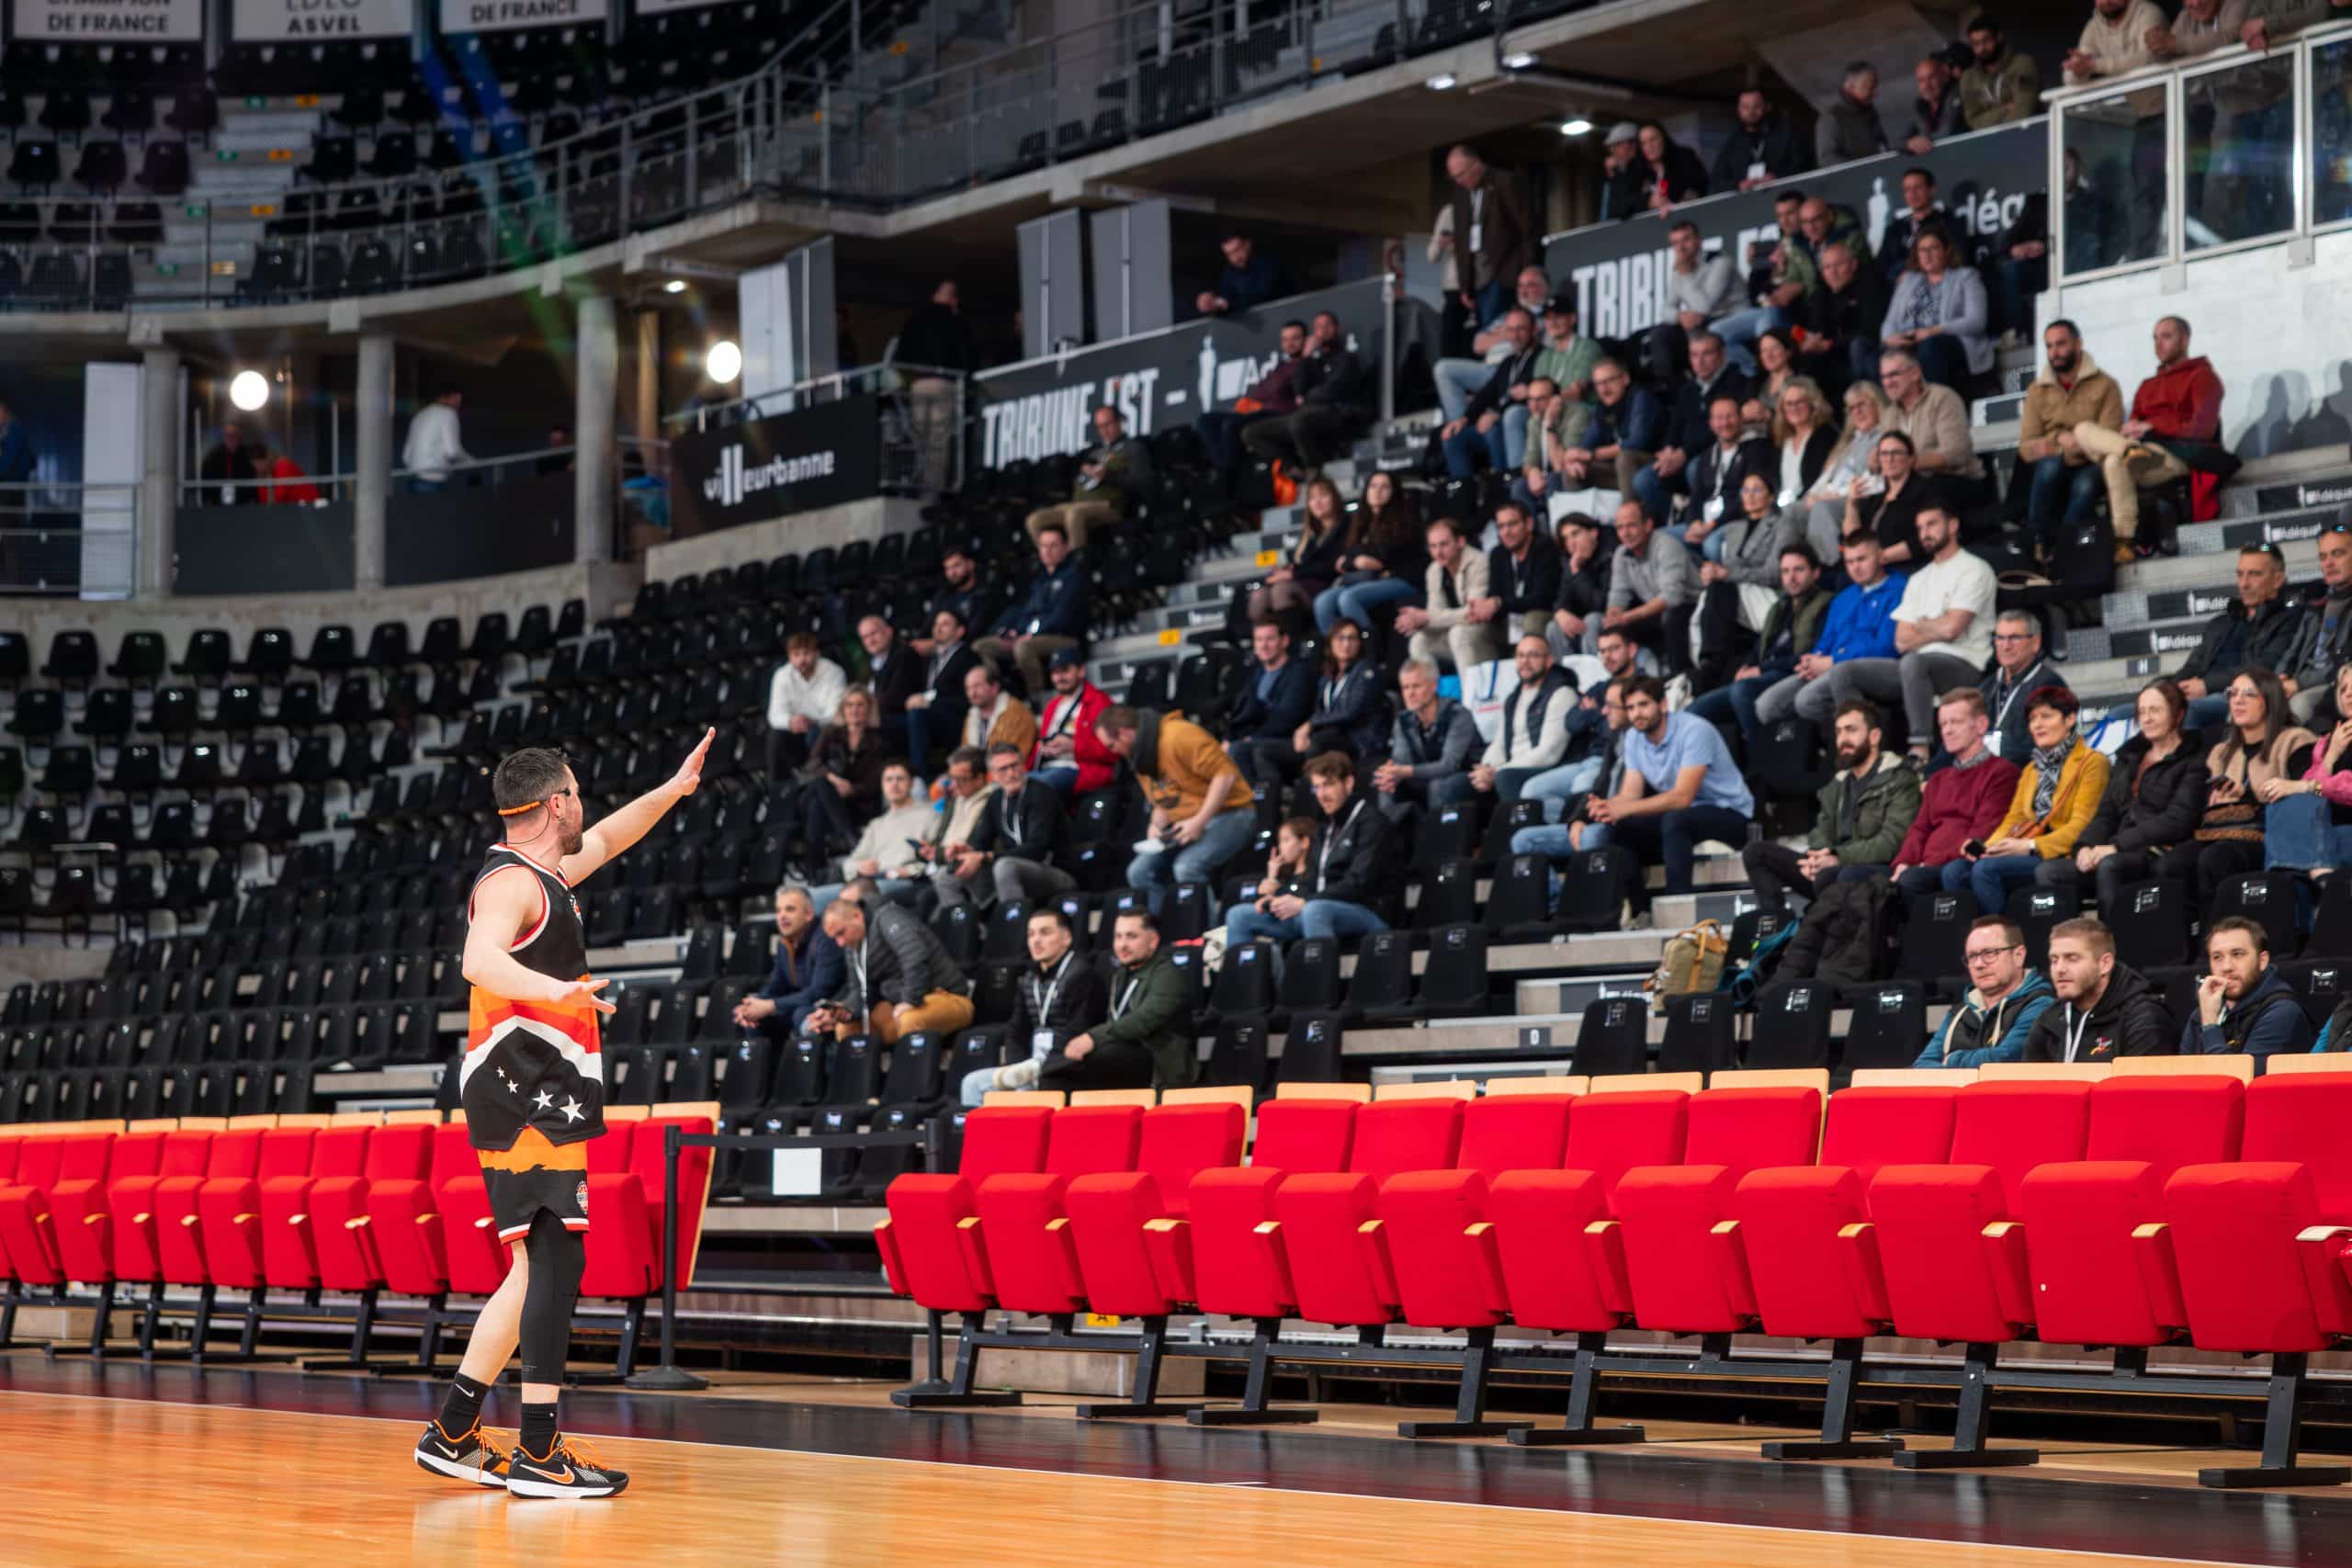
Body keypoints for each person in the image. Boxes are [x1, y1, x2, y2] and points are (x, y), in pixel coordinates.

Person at [413, 728, 711, 1500]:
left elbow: (612, 836)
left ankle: (454, 1430)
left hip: (535, 1088)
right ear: (554, 803)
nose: (585, 805)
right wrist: (559, 992)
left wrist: (674, 789)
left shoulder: (548, 872)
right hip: (523, 1091)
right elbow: (477, 959)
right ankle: (540, 1449)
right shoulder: (510, 883)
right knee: (556, 1256)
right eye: (576, 793)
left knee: (532, 1265)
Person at [1829, 503, 1994, 760]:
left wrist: (1921, 625)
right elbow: (1901, 640)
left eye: (1932, 524)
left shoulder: (1974, 569)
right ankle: (1865, 754)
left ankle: (1920, 749)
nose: (1925, 533)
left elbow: (1952, 628)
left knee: (1913, 662)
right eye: (1920, 528)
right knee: (1843, 672)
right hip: (1915, 666)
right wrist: (1937, 624)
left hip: (1965, 662)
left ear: (1953, 525)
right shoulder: (1918, 579)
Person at [1583, 674, 1755, 912]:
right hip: (1684, 815)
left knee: (1675, 820)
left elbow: (1682, 797)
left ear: (1663, 705)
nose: (1636, 714)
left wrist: (1624, 808)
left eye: (1643, 705)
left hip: (1731, 813)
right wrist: (1608, 807)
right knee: (1620, 827)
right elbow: (1630, 794)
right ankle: (1640, 910)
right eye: (1630, 708)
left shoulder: (1694, 730)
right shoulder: (1633, 737)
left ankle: (1678, 905)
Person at [1741, 698, 1921, 907]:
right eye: (1839, 732)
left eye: (1851, 730)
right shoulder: (1837, 783)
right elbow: (1821, 831)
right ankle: (1776, 922)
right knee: (1755, 853)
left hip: (1875, 871)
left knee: (1836, 875)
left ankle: (1822, 920)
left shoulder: (1899, 779)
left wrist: (1838, 857)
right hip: (1834, 869)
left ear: (1874, 737)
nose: (1843, 739)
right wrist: (1817, 858)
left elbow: (1891, 843)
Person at [1947, 685, 2110, 915]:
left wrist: (2031, 846)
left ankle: (2000, 933)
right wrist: (1987, 848)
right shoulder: (2031, 769)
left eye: (2046, 716)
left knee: (1986, 871)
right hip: (2027, 848)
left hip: (2061, 853)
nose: (2037, 725)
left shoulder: (2092, 762)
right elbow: (2014, 819)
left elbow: (2082, 825)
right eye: (2033, 719)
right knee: (1955, 871)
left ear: (2070, 719)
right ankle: (1972, 934)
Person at [2074, 317, 2224, 552]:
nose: (2158, 344)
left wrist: (2153, 426)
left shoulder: (2202, 376)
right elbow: (2136, 422)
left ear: (2185, 340)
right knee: (2083, 429)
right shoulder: (2147, 385)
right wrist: (2130, 430)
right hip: (2143, 451)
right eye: (2155, 338)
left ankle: (2124, 540)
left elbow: (2202, 430)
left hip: (2179, 454)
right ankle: (2127, 450)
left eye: (2166, 337)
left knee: (2114, 462)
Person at [2165, 667, 2315, 903]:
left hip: (2271, 836)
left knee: (2216, 858)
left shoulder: (2296, 740)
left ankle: (2221, 924)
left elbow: (2305, 801)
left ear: (2270, 699)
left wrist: (2246, 797)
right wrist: (2216, 799)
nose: (2238, 700)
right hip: (2222, 830)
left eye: (2248, 694)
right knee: (2173, 863)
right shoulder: (2220, 752)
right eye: (2233, 693)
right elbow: (2204, 804)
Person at [1098, 704, 1257, 915]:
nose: (1113, 752)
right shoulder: (1140, 755)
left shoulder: (1178, 735)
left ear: (1125, 733)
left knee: (1187, 866)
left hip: (1233, 813)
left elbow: (1225, 775)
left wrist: (1199, 821)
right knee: (1138, 872)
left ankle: (1204, 930)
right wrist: (1155, 826)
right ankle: (1160, 927)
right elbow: (1163, 799)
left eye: (1111, 745)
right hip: (1185, 824)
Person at [1227, 750, 1395, 945]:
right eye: (1317, 787)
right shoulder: (1324, 829)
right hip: (1317, 908)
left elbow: (1358, 883)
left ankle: (1319, 965)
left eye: (1328, 785)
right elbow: (1309, 880)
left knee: (1315, 910)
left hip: (1366, 911)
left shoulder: (1372, 822)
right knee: (1238, 915)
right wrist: (1278, 899)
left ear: (1348, 783)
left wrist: (1304, 902)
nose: (1322, 795)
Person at [957, 906, 1109, 1106]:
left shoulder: (1083, 975)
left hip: (1063, 1067)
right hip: (1029, 1067)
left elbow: (1079, 1032)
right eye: (1031, 934)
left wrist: (1034, 1068)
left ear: (1066, 938)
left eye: (1045, 933)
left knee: (1023, 1089)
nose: (1036, 940)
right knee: (972, 1084)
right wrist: (1016, 1066)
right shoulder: (1029, 978)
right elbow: (1016, 1030)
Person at [1690, 541, 1833, 739]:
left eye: (1799, 570)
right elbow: (1760, 647)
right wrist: (1747, 667)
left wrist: (1760, 669)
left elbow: (1812, 654)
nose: (1791, 578)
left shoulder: (1826, 604)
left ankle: (1761, 751)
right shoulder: (1779, 607)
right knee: (1696, 710)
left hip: (1791, 673)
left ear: (1815, 573)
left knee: (1742, 691)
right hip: (1765, 674)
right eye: (1785, 571)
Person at [1890, 687, 2024, 895]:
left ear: (1981, 725)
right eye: (1943, 724)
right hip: (1925, 866)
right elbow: (1919, 829)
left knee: (1913, 880)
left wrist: (1928, 865)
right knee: (1859, 876)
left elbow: (1983, 831)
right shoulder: (1938, 779)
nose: (1947, 731)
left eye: (1956, 722)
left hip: (1960, 863)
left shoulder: (2002, 773)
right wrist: (1904, 863)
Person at [805, 893, 974, 1044]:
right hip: (902, 1002)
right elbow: (860, 988)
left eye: (841, 933)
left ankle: (913, 1070)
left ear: (857, 916)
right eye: (835, 938)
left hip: (946, 994)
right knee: (846, 1028)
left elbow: (914, 955)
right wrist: (847, 1011)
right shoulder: (852, 946)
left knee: (910, 1020)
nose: (840, 943)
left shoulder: (888, 916)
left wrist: (910, 1000)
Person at [1058, 908, 1198, 1092]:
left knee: (1098, 1056)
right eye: (1118, 937)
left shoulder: (1168, 975)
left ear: (1153, 941)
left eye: (1131, 936)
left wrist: (1093, 1037)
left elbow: (1143, 1021)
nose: (1122, 945)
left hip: (1160, 1064)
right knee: (1059, 1070)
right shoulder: (1120, 974)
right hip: (1127, 1054)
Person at [2016, 321, 2126, 551]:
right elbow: (2026, 448)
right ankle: (2036, 542)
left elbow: (2108, 440)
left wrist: (2058, 447)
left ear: (2078, 344)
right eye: (2049, 346)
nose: (2054, 352)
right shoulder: (2036, 391)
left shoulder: (2106, 385)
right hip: (2056, 461)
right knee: (2049, 467)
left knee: (2084, 484)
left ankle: (2063, 547)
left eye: (2061, 344)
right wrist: (2059, 442)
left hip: (2093, 462)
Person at [2177, 544, 2309, 731]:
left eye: (2254, 574)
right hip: (2204, 694)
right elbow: (2194, 664)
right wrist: (2170, 689)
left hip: (2240, 695)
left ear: (2278, 579)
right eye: (2240, 574)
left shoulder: (2290, 619)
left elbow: (2264, 668)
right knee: (2147, 705)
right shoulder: (2222, 622)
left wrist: (2206, 685)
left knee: (2191, 710)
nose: (2244, 584)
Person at [1694, 473, 1802, 690]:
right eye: (1745, 490)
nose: (1750, 496)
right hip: (1738, 594)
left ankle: (1712, 662)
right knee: (1712, 593)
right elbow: (1728, 571)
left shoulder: (1784, 525)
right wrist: (1713, 573)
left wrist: (1726, 573)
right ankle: (1708, 663)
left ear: (1771, 496)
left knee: (1720, 586)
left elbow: (1774, 574)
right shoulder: (1734, 529)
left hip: (1769, 594)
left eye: (1757, 490)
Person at [940, 742, 1072, 908]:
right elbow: (980, 841)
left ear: (1023, 765)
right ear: (993, 775)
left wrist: (985, 857)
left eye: (1014, 765)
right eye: (1003, 769)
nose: (1011, 773)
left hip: (1054, 871)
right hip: (1016, 866)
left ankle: (1013, 921)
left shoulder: (1041, 793)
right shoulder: (996, 799)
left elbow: (1037, 849)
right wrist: (966, 850)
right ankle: (968, 924)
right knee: (946, 875)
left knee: (1005, 866)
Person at [2025, 917, 2175, 1061]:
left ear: (2105, 964)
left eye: (2072, 958)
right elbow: (2030, 1078)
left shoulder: (2143, 1018)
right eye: (2054, 960)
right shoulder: (2048, 1020)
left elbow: (2141, 1079)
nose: (2060, 969)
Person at [1916, 915, 2058, 1067]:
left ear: (2018, 956)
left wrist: (1951, 1060)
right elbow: (1922, 1066)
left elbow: (2007, 1060)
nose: (1979, 964)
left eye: (1990, 953)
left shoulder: (2042, 1005)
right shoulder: (1959, 1014)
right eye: (1972, 956)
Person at [1243, 309, 1374, 472]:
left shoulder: (1347, 358)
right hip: (1308, 414)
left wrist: (1307, 397)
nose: (1323, 330)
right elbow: (1299, 388)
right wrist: (1305, 357)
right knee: (1251, 432)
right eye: (1318, 327)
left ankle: (1314, 470)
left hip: (1338, 413)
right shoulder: (1312, 362)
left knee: (1298, 421)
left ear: (1338, 329)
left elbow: (1332, 391)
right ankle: (1292, 468)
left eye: (1327, 325)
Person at [786, 688, 891, 876]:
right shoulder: (831, 732)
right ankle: (851, 838)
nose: (854, 710)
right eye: (849, 705)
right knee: (822, 785)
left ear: (869, 709)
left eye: (859, 705)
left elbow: (874, 782)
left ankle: (815, 872)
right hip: (827, 794)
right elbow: (812, 762)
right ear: (843, 709)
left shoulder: (878, 741)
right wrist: (833, 780)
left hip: (856, 803)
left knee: (817, 804)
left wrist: (851, 789)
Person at [1271, 617, 1387, 780]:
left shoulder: (1367, 671)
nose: (1346, 644)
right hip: (1332, 735)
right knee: (1258, 751)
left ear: (1360, 643)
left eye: (1352, 638)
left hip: (1359, 740)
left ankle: (1311, 789)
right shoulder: (1328, 674)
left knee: (1319, 742)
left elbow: (1350, 711)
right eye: (1340, 638)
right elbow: (1320, 709)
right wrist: (1306, 730)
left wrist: (1310, 725)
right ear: (1331, 642)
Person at [814, 759, 939, 911]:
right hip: (869, 879)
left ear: (912, 784)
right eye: (888, 780)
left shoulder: (930, 815)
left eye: (900, 779)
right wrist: (859, 867)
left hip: (903, 880)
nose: (894, 784)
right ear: (882, 785)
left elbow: (937, 857)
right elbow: (851, 862)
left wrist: (910, 871)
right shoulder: (876, 824)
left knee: (856, 898)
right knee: (812, 899)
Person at [976, 523, 1086, 694]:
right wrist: (1016, 632)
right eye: (1043, 546)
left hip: (1063, 636)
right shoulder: (1038, 579)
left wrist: (1033, 634)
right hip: (1031, 636)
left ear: (1066, 548)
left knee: (1023, 647)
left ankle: (1037, 696)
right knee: (982, 646)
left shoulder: (1073, 577)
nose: (1047, 551)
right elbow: (1026, 612)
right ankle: (1000, 691)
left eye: (1053, 546)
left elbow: (1062, 618)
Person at [1432, 266, 1552, 424]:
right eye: (1520, 286)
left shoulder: (1549, 316)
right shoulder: (1506, 315)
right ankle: (1460, 425)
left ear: (1545, 288)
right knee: (1443, 368)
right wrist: (1509, 331)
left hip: (1519, 371)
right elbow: (1478, 344)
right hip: (1489, 369)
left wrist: (1501, 333)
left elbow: (1540, 345)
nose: (1523, 291)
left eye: (1530, 285)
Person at [2185, 916, 2315, 1058]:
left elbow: (2240, 1073)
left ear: (2262, 961)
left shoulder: (2283, 1011)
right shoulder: (2203, 1013)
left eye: (2237, 954)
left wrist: (2210, 1025)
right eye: (2217, 957)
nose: (2226, 967)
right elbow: (2183, 1070)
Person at [1024, 405, 1152, 549]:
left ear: (1119, 422)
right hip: (1078, 503)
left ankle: (1075, 560)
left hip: (1109, 506)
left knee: (1073, 515)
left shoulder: (1134, 448)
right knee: (1034, 520)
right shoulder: (1094, 452)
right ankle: (1053, 558)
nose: (1104, 431)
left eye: (1108, 424)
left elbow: (1142, 481)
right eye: (1100, 427)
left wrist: (1108, 476)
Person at [1880, 229, 1991, 392]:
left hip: (1950, 341)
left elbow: (1976, 321)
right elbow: (1890, 322)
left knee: (1930, 347)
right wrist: (1891, 338)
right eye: (1922, 250)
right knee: (1878, 354)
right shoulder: (1908, 280)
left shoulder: (1966, 277)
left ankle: (1937, 402)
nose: (1927, 255)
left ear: (1947, 250)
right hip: (1910, 343)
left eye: (1933, 248)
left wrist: (1933, 331)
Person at [2267, 661, 2352, 872]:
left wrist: (2307, 786)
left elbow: (2341, 790)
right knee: (2284, 802)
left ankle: (2309, 875)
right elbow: (2312, 792)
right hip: (2329, 827)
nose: (2348, 694)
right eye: (2343, 689)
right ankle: (2295, 877)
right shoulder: (2327, 742)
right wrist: (2331, 755)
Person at [1199, 319, 1304, 489]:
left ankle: (1230, 479)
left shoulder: (1305, 365)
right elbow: (1259, 393)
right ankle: (1221, 468)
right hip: (1260, 411)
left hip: (1281, 414)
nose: (1290, 344)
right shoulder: (1280, 367)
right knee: (1206, 420)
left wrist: (1308, 353)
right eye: (1285, 339)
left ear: (1306, 339)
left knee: (1231, 425)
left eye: (1295, 338)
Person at [1314, 470, 1423, 635]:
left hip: (1401, 579)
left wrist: (1354, 560)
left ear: (1394, 491)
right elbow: (1346, 557)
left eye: (1384, 487)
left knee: (1348, 598)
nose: (1377, 491)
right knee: (1323, 602)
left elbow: (1382, 556)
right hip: (1370, 580)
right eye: (1373, 486)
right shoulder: (1360, 520)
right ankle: (1334, 649)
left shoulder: (1405, 518)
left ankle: (1367, 646)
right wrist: (1356, 561)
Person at [1442, 145, 1537, 329]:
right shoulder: (1460, 193)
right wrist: (1464, 286)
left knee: (1494, 325)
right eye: (1454, 177)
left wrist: (1528, 268)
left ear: (1476, 165)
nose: (1459, 181)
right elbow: (1461, 240)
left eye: (1461, 174)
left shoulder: (1504, 182)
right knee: (1483, 329)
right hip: (1476, 275)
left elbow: (1528, 228)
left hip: (1504, 269)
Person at [1470, 634, 1573, 805]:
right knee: (1463, 784)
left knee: (1506, 778)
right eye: (1520, 655)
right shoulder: (1513, 698)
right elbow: (1499, 743)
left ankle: (1514, 821)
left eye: (1533, 655)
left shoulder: (1562, 694)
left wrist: (1498, 771)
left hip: (1546, 768)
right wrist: (1486, 768)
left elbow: (1549, 753)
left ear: (1549, 661)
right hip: (1510, 769)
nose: (1525, 661)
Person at [732, 886, 845, 1039]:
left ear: (808, 914)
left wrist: (771, 1005)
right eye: (778, 911)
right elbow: (776, 984)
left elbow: (818, 992)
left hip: (828, 1004)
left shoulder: (826, 939)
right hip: (798, 1004)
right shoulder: (784, 943)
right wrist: (754, 1005)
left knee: (801, 1015)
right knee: (754, 1018)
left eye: (790, 909)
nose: (782, 916)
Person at [1440, 309, 1540, 479]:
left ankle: (1503, 483)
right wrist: (1463, 419)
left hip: (1521, 422)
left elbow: (1532, 396)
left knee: (1492, 429)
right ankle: (1463, 488)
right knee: (1453, 437)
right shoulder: (1509, 361)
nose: (1515, 335)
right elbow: (1487, 393)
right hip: (1498, 420)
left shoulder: (1541, 357)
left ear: (1534, 330)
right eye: (1511, 330)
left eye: (1521, 329)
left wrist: (1496, 415)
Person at [899, 279, 979, 491]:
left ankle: (916, 485)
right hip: (945, 383)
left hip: (918, 384)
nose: (955, 300)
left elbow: (901, 356)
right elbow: (969, 356)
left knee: (918, 437)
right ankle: (931, 489)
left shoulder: (914, 320)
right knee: (938, 439)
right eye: (953, 295)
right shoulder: (956, 322)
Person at [1376, 658, 1477, 820]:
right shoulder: (1403, 720)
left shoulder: (1458, 714)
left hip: (1467, 778)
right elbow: (1402, 761)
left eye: (1416, 686)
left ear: (1434, 686)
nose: (1410, 694)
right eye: (1405, 687)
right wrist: (1391, 774)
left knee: (1438, 786)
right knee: (1386, 785)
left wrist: (1405, 771)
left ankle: (1436, 834)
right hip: (1425, 778)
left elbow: (1450, 765)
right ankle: (1390, 834)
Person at [1602, 499, 1696, 674]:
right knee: (1613, 630)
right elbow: (1618, 595)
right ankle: (1635, 678)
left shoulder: (1666, 546)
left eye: (1631, 526)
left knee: (1671, 617)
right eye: (1620, 528)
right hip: (1656, 609)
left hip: (1690, 605)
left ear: (1648, 525)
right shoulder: (1621, 553)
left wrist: (1627, 617)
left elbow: (1672, 597)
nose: (1625, 533)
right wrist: (1614, 615)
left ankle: (1678, 676)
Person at [1676, 394, 1774, 559]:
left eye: (1730, 416)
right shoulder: (1707, 455)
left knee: (1712, 546)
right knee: (1665, 538)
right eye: (1719, 418)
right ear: (1711, 423)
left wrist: (1712, 525)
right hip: (1704, 523)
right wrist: (1694, 523)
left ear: (1741, 418)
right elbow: (1697, 495)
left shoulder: (1756, 450)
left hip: (1734, 520)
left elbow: (1746, 497)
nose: (1725, 423)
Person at [1800, 380, 1889, 560]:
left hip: (1858, 499)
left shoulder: (1884, 438)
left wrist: (1832, 496)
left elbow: (1872, 482)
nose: (1857, 412)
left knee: (1822, 508)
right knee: (1789, 512)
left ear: (1878, 404)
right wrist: (1811, 495)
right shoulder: (1848, 442)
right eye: (1852, 408)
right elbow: (1827, 476)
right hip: (1829, 495)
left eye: (1862, 405)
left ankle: (1831, 565)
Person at [1397, 515, 1497, 675]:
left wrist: (1426, 617)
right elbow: (1435, 613)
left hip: (1487, 633)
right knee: (1419, 640)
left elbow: (1474, 613)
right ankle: (1426, 689)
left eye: (1444, 544)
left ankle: (1469, 691)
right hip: (1454, 633)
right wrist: (1416, 620)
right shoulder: (1434, 570)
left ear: (1461, 542)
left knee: (1458, 634)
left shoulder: (1479, 562)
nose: (1438, 552)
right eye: (1433, 546)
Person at [1249, 477, 1350, 631]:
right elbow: (1302, 563)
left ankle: (1291, 642)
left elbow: (1333, 565)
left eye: (1322, 495)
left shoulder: (1346, 525)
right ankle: (1263, 642)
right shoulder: (1310, 533)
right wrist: (1286, 569)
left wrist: (1293, 574)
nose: (1317, 502)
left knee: (1281, 590)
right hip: (1303, 582)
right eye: (1312, 498)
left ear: (1334, 497)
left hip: (1328, 583)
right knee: (1259, 595)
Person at [1568, 359, 1669, 512]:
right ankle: (1578, 523)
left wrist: (1592, 455)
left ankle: (1630, 517)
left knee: (1625, 457)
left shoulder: (1641, 397)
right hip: (1619, 470)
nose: (1604, 389)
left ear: (1625, 379)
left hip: (1655, 465)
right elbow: (1586, 443)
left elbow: (1636, 442)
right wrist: (1577, 459)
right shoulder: (1603, 407)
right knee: (1572, 470)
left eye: (1609, 381)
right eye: (1598, 384)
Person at [1879, 349, 1986, 489]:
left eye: (1893, 375)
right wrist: (1875, 459)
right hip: (1913, 486)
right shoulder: (1888, 414)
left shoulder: (1942, 398)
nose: (1887, 383)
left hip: (1954, 482)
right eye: (1883, 377)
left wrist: (1907, 462)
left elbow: (1955, 453)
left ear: (1915, 373)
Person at [1973, 610, 2070, 765]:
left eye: (2014, 638)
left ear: (2035, 642)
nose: (2006, 646)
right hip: (1988, 771)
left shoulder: (2049, 684)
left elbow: (2048, 744)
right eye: (2000, 638)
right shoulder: (1985, 688)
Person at [1227, 622, 1315, 787]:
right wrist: (1229, 738)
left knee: (1239, 750)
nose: (1264, 645)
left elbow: (1288, 717)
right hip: (1260, 739)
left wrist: (1252, 738)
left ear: (1284, 641)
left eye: (1270, 639)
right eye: (1259, 640)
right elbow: (1243, 713)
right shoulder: (1256, 673)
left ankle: (1258, 800)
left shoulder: (1298, 672)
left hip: (1290, 740)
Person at [1797, 242, 1890, 397]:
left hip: (1865, 348)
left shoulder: (1870, 284)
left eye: (1839, 265)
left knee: (1858, 347)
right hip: (1832, 353)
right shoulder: (1821, 293)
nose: (1833, 272)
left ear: (1853, 265)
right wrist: (1812, 341)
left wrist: (1831, 344)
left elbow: (1871, 329)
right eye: (1827, 267)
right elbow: (1816, 328)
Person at [1839, 431, 1946, 568]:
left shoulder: (1926, 490)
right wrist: (1852, 503)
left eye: (1896, 453)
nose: (1889, 459)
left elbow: (1925, 538)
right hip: (1872, 568)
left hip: (1908, 566)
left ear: (1911, 458)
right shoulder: (1875, 493)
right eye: (1884, 454)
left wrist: (1880, 558)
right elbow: (1852, 539)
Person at [899, 606, 980, 776]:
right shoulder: (931, 658)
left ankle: (918, 777)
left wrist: (930, 702)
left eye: (945, 624)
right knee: (890, 723)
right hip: (929, 717)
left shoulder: (968, 657)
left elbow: (968, 700)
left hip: (957, 719)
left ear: (960, 631)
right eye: (936, 624)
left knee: (917, 715)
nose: (938, 628)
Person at [2287, 522, 2352, 726]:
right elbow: (2293, 650)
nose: (2328, 563)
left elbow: (2341, 665)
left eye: (2337, 554)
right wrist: (2279, 678)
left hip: (2336, 683)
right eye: (2323, 557)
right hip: (2304, 679)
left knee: (2300, 704)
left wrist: (2298, 683)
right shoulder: (2318, 602)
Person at [916, 746, 996, 908]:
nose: (954, 785)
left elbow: (976, 845)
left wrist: (938, 854)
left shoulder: (992, 800)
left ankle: (963, 923)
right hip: (942, 864)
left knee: (929, 895)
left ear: (980, 778)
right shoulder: (954, 801)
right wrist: (926, 850)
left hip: (972, 866)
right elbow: (940, 838)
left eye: (961, 779)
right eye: (952, 778)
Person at [1031, 648, 1115, 798]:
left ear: (1081, 671)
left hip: (1079, 769)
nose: (1059, 677)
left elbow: (1113, 750)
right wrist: (1044, 748)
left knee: (1035, 788)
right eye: (1054, 672)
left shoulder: (1099, 702)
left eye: (1064, 670)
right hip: (1048, 768)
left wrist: (1073, 746)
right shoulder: (1052, 706)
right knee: (1008, 787)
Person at [764, 631, 849, 779]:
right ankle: (779, 786)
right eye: (796, 655)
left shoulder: (834, 672)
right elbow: (775, 715)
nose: (802, 659)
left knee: (819, 733)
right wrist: (790, 722)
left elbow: (837, 712)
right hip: (796, 729)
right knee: (775, 737)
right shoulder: (782, 675)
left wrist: (813, 721)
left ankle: (818, 776)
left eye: (806, 653)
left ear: (817, 653)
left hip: (824, 728)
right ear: (789, 657)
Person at [1482, 500, 1562, 642]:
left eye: (1512, 524)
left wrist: (1500, 603)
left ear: (1529, 524)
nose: (1506, 532)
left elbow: (1542, 599)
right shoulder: (1498, 554)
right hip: (1510, 618)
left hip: (1544, 615)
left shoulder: (1545, 548)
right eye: (1501, 526)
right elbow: (1494, 593)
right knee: (1471, 631)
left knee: (1532, 618)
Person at [1712, 86, 1811, 193]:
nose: (1751, 112)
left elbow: (1804, 166)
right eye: (1745, 107)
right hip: (1746, 199)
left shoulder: (1788, 134)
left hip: (1785, 193)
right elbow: (1716, 181)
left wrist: (1778, 177)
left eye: (1756, 106)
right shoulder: (1732, 143)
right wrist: (1738, 185)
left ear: (1767, 107)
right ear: (1738, 109)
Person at [1547, 510, 1614, 660]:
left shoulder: (1610, 554)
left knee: (1592, 621)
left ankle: (1596, 671)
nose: (1571, 543)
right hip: (1585, 622)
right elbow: (1562, 596)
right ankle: (1566, 673)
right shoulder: (1570, 562)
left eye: (1575, 534)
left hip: (1613, 619)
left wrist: (1578, 572)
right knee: (1554, 627)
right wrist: (1560, 612)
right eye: (1565, 539)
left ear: (1594, 533)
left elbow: (1601, 604)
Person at [1876, 167, 1954, 288]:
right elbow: (1881, 266)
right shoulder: (1895, 228)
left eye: (1918, 188)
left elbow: (1955, 258)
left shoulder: (1948, 222)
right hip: (1902, 291)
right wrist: (1897, 277)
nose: (1912, 194)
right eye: (1907, 189)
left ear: (1932, 190)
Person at [1961, 14, 2042, 129]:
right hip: (1989, 139)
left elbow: (2023, 110)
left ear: (1999, 37)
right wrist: (2005, 109)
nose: (1981, 48)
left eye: (1986, 41)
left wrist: (1990, 117)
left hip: (2028, 133)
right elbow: (1973, 121)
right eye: (1976, 44)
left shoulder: (2022, 64)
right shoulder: (1969, 78)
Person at [2064, 0, 2167, 84]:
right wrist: (2077, 71)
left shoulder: (2147, 12)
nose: (2107, 1)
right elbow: (2070, 77)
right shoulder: (2093, 27)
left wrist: (2095, 65)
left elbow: (2148, 58)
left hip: (2167, 98)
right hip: (2122, 102)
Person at [956, 660, 1038, 762]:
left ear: (995, 687)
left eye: (977, 686)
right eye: (968, 688)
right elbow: (965, 755)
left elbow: (1015, 757)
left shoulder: (1017, 713)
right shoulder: (971, 716)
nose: (972, 693)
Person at [1195, 231, 1292, 317]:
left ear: (1247, 245)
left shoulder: (1267, 264)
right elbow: (1225, 296)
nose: (1236, 257)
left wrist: (1228, 304)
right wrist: (1212, 303)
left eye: (1237, 250)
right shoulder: (1229, 273)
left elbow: (1262, 294)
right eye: (1229, 254)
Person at [1628, 120, 1708, 217]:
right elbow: (1624, 203)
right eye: (1643, 143)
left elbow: (1699, 186)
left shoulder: (1684, 157)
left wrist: (1679, 206)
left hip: (1688, 218)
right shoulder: (1636, 169)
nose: (1649, 146)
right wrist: (1649, 202)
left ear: (1664, 138)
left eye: (1653, 139)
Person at [1817, 61, 1890, 166]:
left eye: (1875, 86)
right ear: (1850, 87)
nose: (1875, 92)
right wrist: (1862, 169)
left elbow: (1882, 145)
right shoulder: (1831, 118)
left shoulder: (1869, 112)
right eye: (1869, 87)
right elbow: (1827, 158)